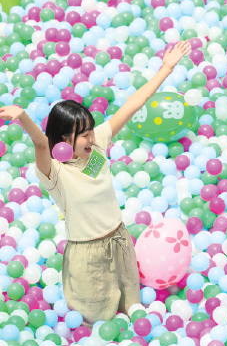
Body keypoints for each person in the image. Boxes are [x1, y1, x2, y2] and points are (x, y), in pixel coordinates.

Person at [0, 40, 191, 327]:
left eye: (90, 130)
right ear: (64, 140)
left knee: (131, 301)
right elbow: (40, 143)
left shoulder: (97, 143)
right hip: (87, 252)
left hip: (119, 239)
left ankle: (133, 311)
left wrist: (166, 68)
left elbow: (133, 103)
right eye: (83, 135)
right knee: (96, 319)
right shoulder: (54, 172)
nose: (91, 138)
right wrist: (23, 117)